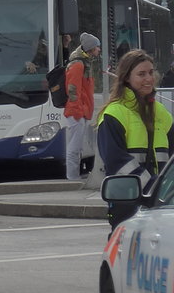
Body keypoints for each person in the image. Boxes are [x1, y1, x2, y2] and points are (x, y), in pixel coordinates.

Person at [98, 48, 174, 229]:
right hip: (128, 204)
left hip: (161, 204)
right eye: (141, 74)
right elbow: (116, 161)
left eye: (150, 72)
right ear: (126, 78)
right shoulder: (113, 114)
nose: (148, 79)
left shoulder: (161, 112)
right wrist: (153, 187)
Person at [64, 32, 101, 182]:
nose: (99, 49)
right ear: (90, 48)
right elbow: (73, 90)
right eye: (97, 47)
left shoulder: (83, 63)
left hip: (80, 111)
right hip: (77, 111)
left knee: (77, 146)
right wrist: (78, 111)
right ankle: (72, 177)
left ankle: (74, 176)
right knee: (75, 146)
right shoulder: (78, 65)